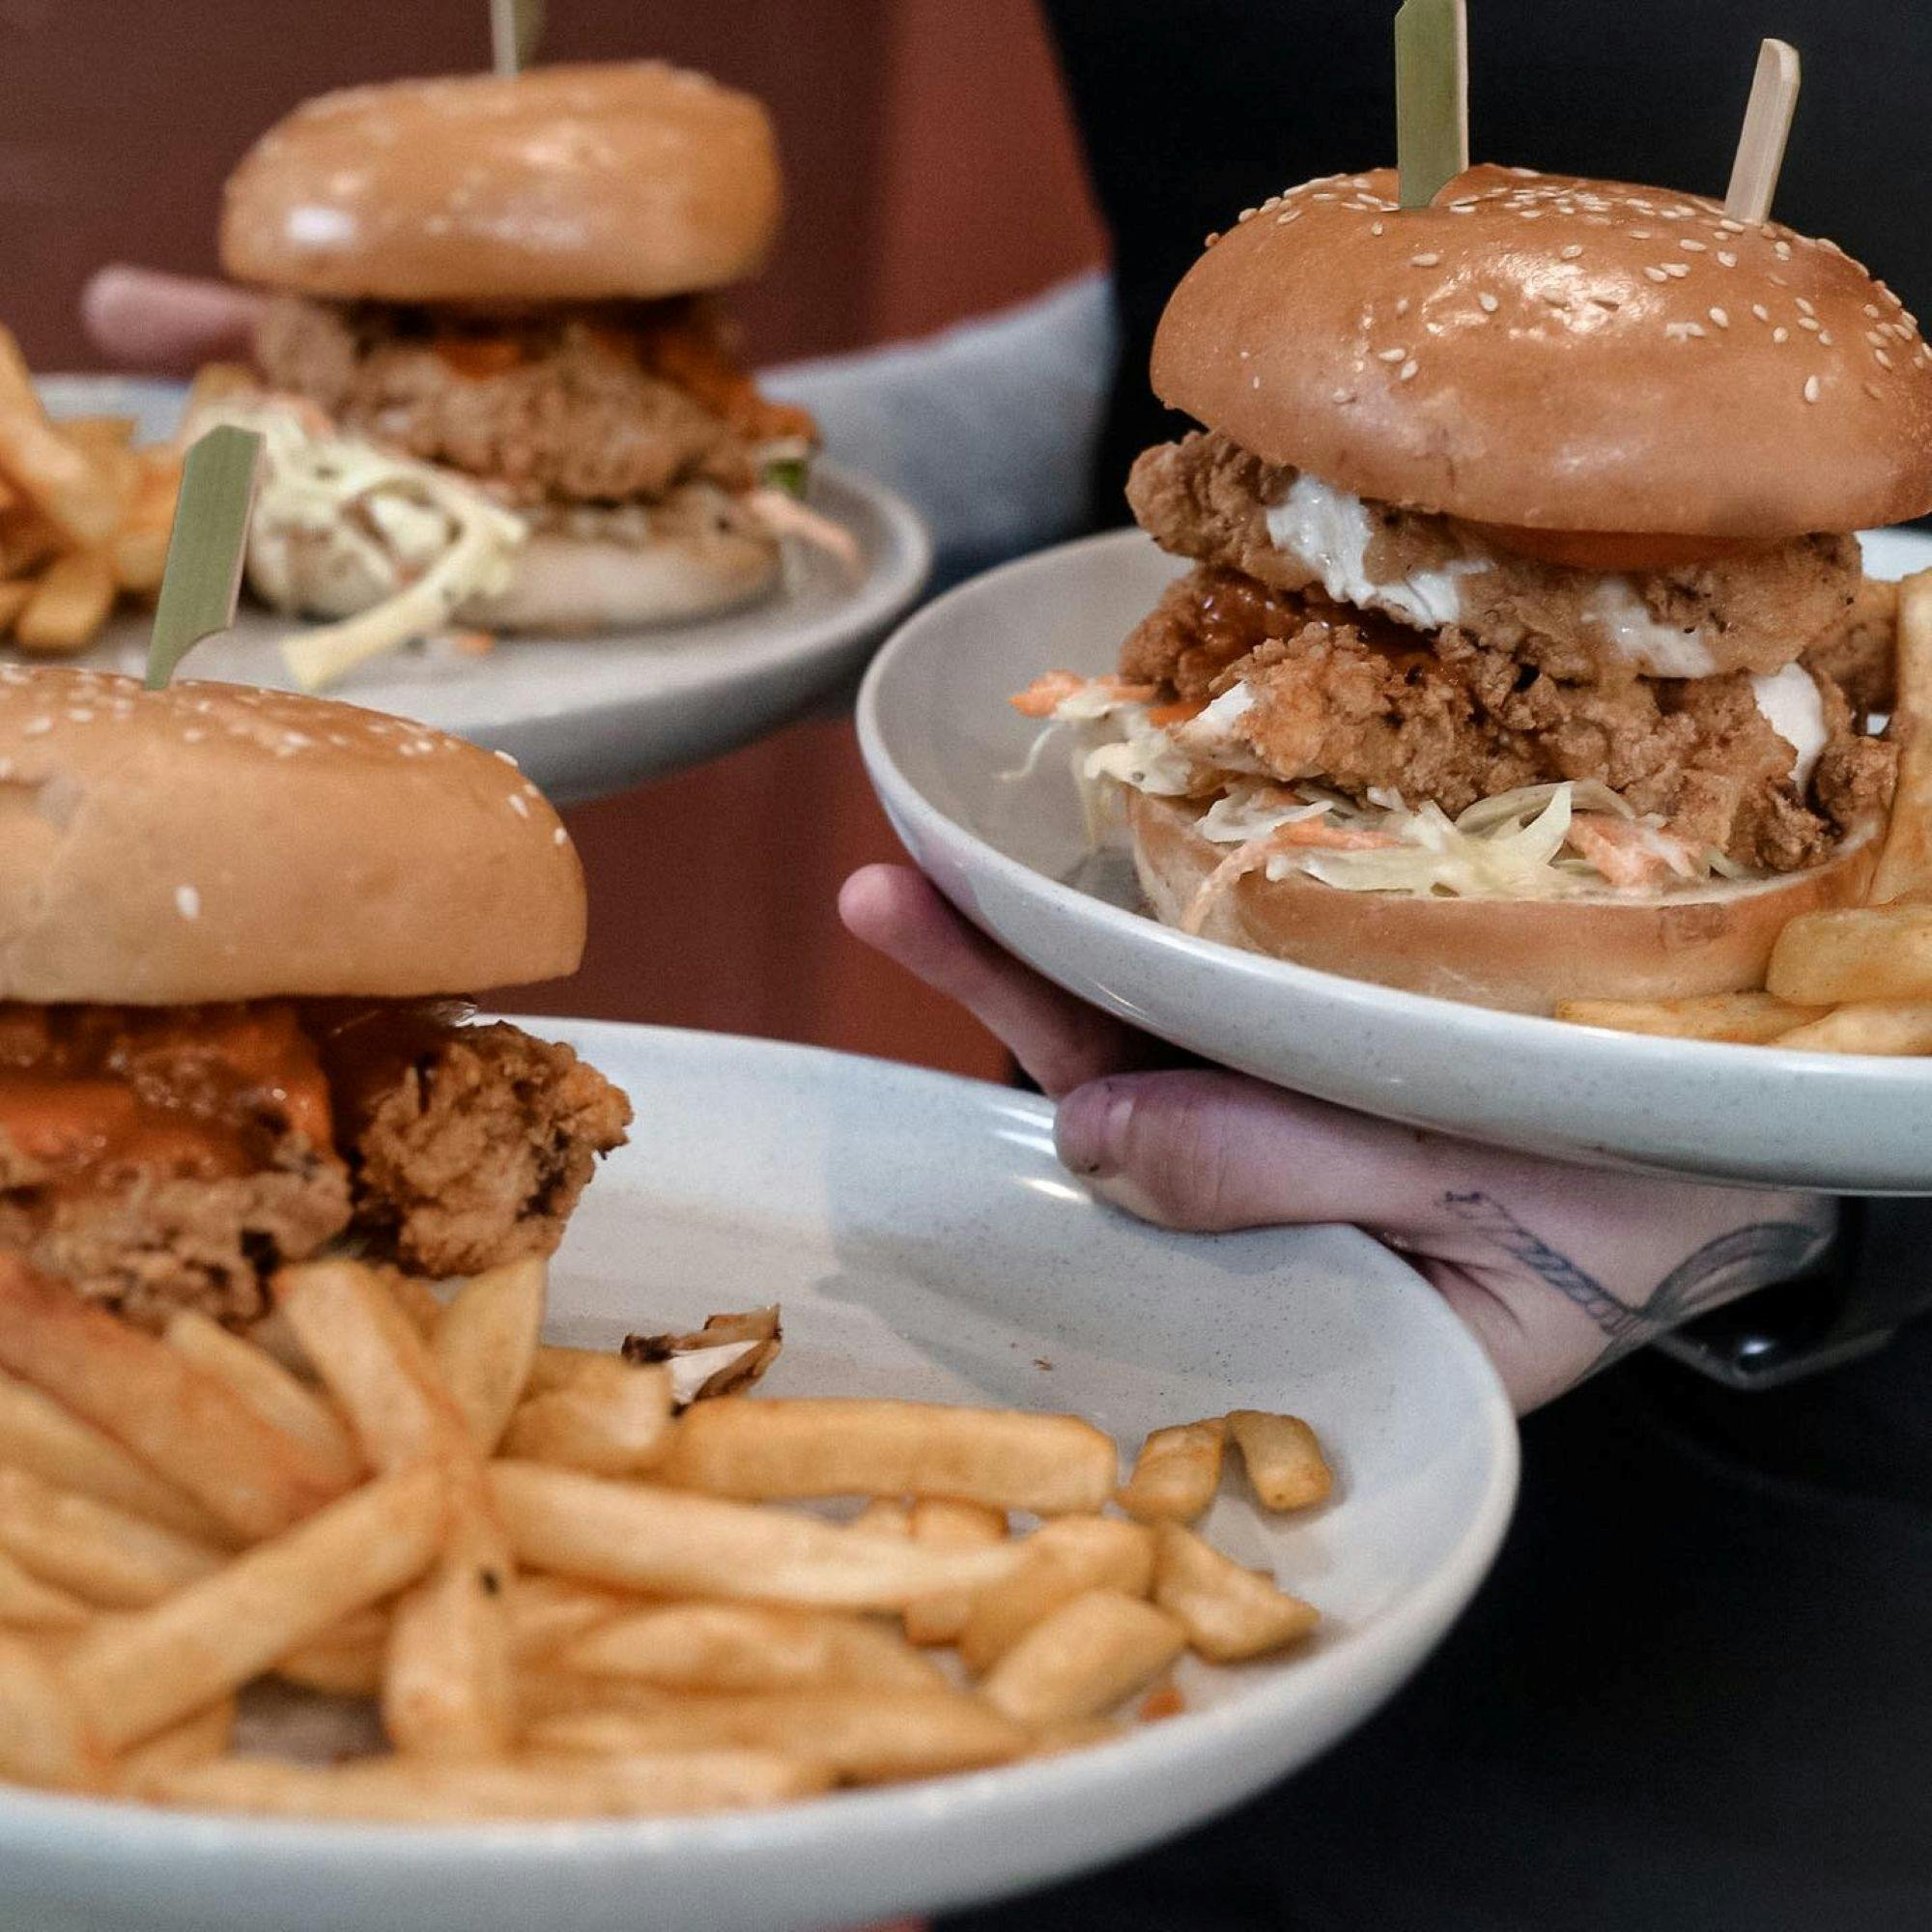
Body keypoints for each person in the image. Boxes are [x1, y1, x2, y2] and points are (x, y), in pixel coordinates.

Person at [87, 5, 1932, 1920]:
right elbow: (1211, 331)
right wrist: (777, 485)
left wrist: (1831, 1192)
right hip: (1137, 1256)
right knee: (1094, 1766)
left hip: (1799, 1626)